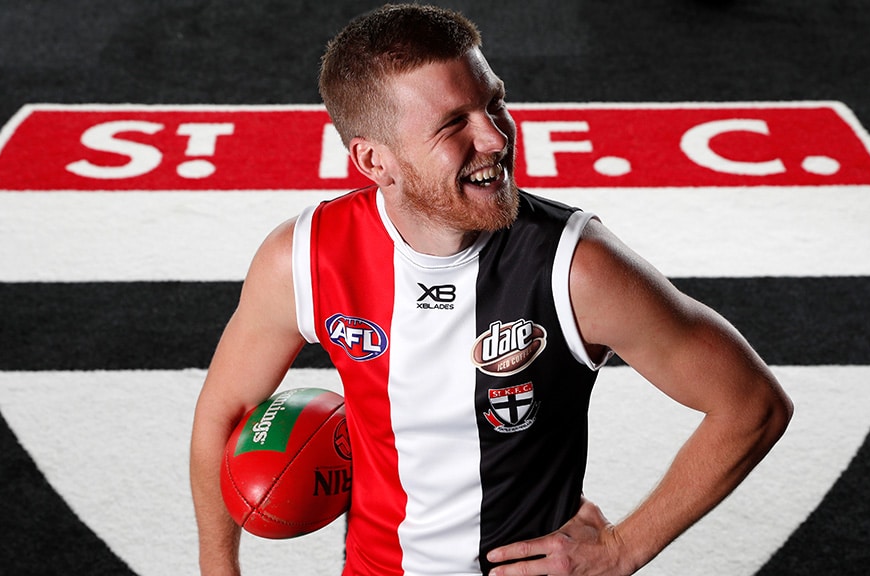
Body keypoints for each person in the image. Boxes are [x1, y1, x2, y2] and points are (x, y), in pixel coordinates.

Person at [189, 4, 793, 575]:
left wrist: (620, 550)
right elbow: (225, 413)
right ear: (375, 162)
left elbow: (751, 405)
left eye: (494, 103)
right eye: (454, 123)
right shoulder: (303, 258)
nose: (497, 138)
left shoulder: (576, 267)